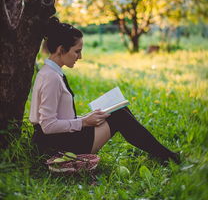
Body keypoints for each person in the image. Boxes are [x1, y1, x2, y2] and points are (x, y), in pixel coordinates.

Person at [30, 17, 180, 165]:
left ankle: (161, 154)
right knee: (120, 116)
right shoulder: (51, 78)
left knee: (119, 109)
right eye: (77, 51)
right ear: (61, 49)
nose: (80, 57)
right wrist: (83, 122)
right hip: (59, 145)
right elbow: (47, 126)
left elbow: (58, 116)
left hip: (62, 137)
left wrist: (86, 118)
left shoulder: (50, 72)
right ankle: (167, 156)